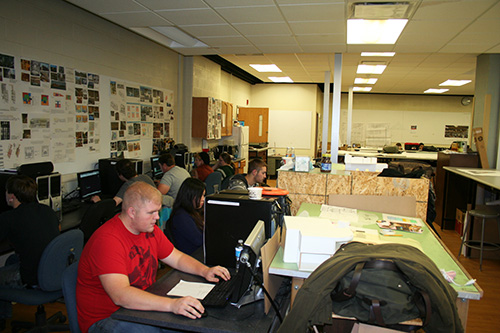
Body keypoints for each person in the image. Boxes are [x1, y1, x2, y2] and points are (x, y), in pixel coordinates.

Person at [76, 182, 230, 333]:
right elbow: (121, 296)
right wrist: (172, 305)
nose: (157, 217)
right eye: (151, 212)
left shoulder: (149, 230)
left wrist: (204, 271)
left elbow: (176, 258)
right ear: (131, 212)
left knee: (191, 325)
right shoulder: (107, 241)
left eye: (158, 211)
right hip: (107, 318)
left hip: (138, 306)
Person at [0, 175, 60, 324]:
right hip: (56, 271)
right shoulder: (47, 210)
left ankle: (2, 319)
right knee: (11, 260)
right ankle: (5, 314)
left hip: (34, 276)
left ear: (12, 196)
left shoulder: (9, 218)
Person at [165, 178, 205, 255]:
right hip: (193, 256)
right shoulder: (181, 217)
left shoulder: (194, 211)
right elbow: (199, 240)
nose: (203, 199)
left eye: (203, 195)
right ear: (190, 196)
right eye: (200, 196)